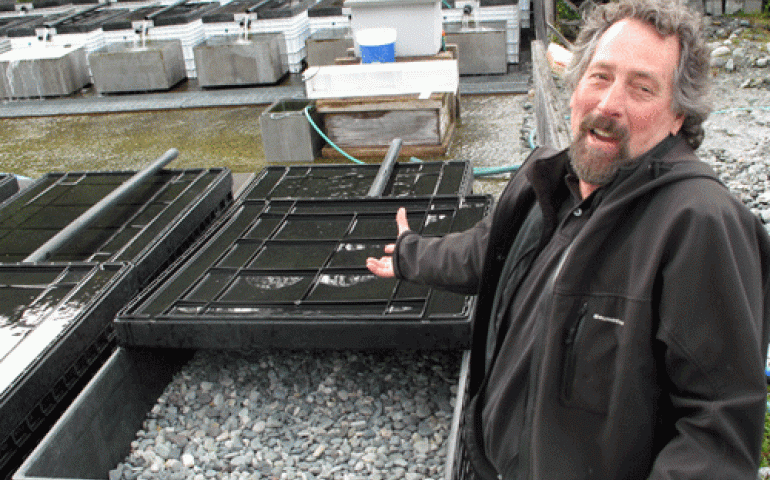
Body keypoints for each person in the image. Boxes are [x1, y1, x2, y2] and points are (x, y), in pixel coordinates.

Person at [366, 0, 770, 478]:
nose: (608, 104)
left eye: (642, 88)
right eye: (600, 77)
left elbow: (716, 432)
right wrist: (412, 255)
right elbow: (486, 250)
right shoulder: (546, 179)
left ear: (678, 116)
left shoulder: (700, 225)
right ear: (576, 85)